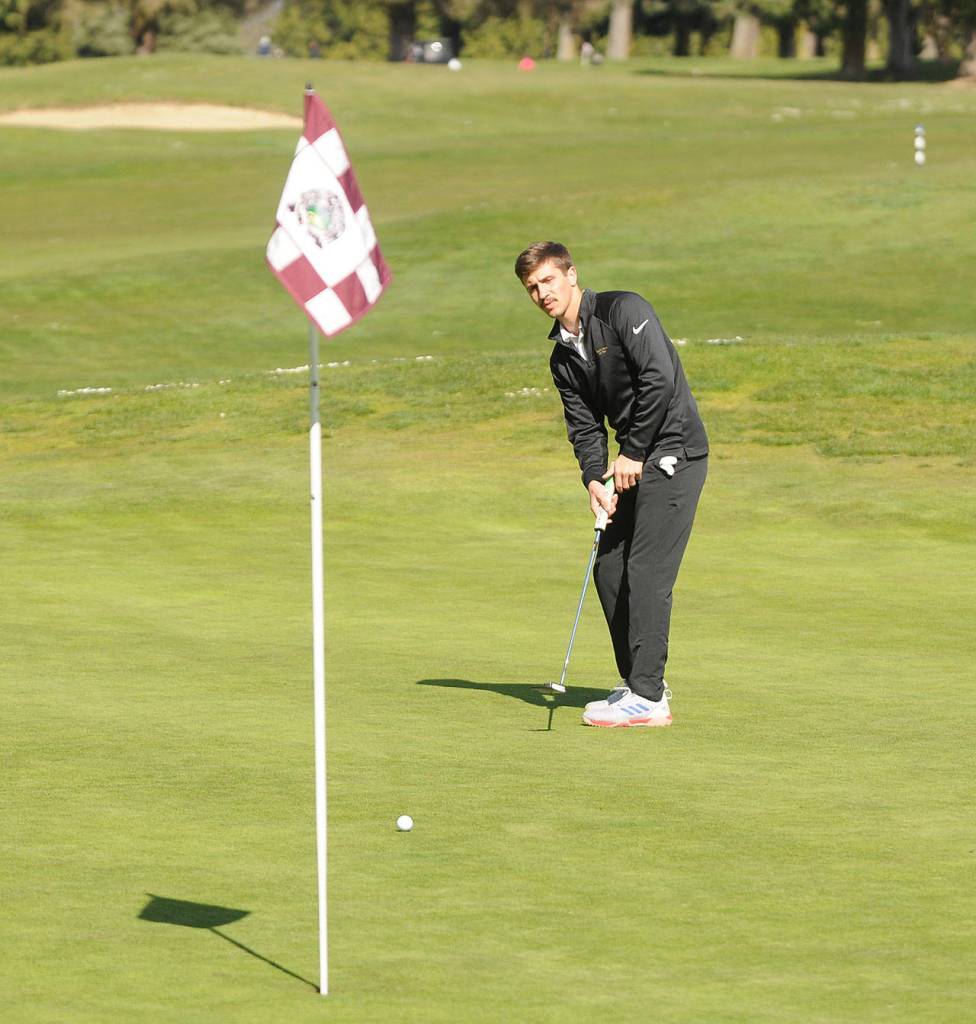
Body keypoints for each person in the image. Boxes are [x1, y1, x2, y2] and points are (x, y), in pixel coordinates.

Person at [515, 241, 708, 728]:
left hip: (675, 451)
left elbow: (659, 380)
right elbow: (583, 427)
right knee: (609, 569)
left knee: (646, 570)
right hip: (632, 461)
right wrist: (593, 479)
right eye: (532, 287)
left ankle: (648, 698)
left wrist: (634, 451)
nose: (542, 293)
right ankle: (641, 682)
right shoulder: (562, 358)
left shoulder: (624, 310)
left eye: (548, 280)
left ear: (571, 275)